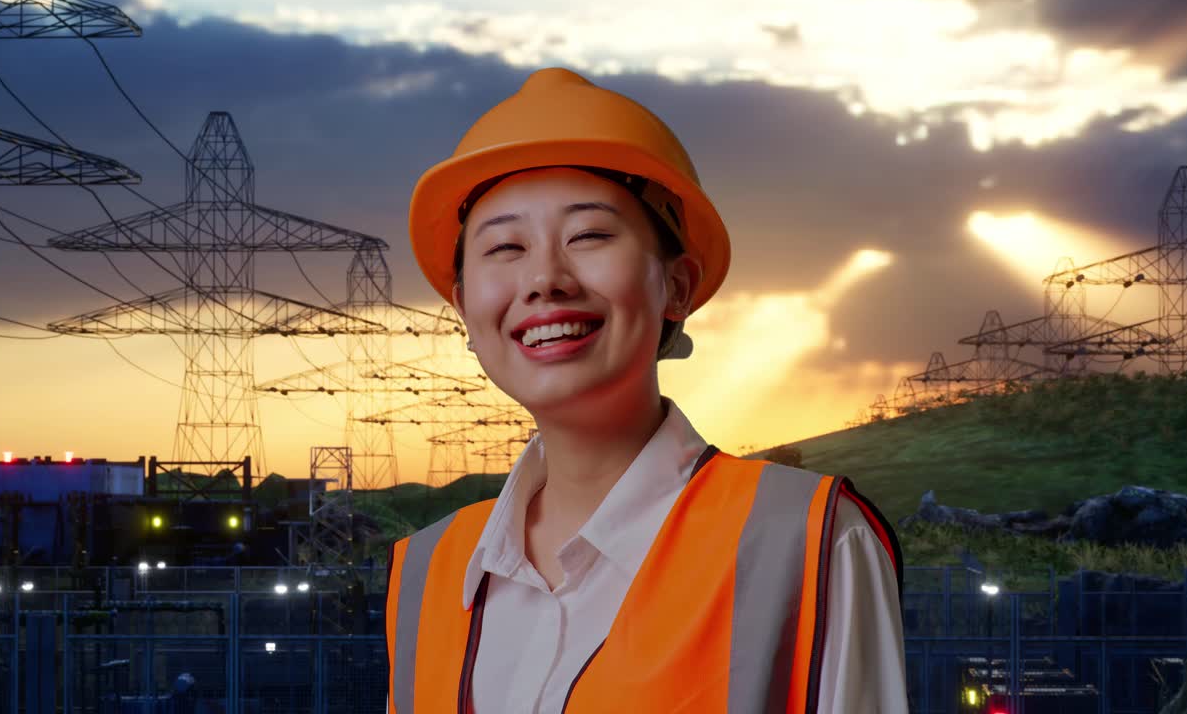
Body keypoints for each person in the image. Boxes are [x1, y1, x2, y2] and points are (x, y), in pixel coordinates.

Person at [386, 67, 908, 713]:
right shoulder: (428, 572)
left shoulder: (804, 537)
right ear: (465, 308)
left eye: (590, 236)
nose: (545, 279)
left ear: (678, 286)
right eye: (505, 247)